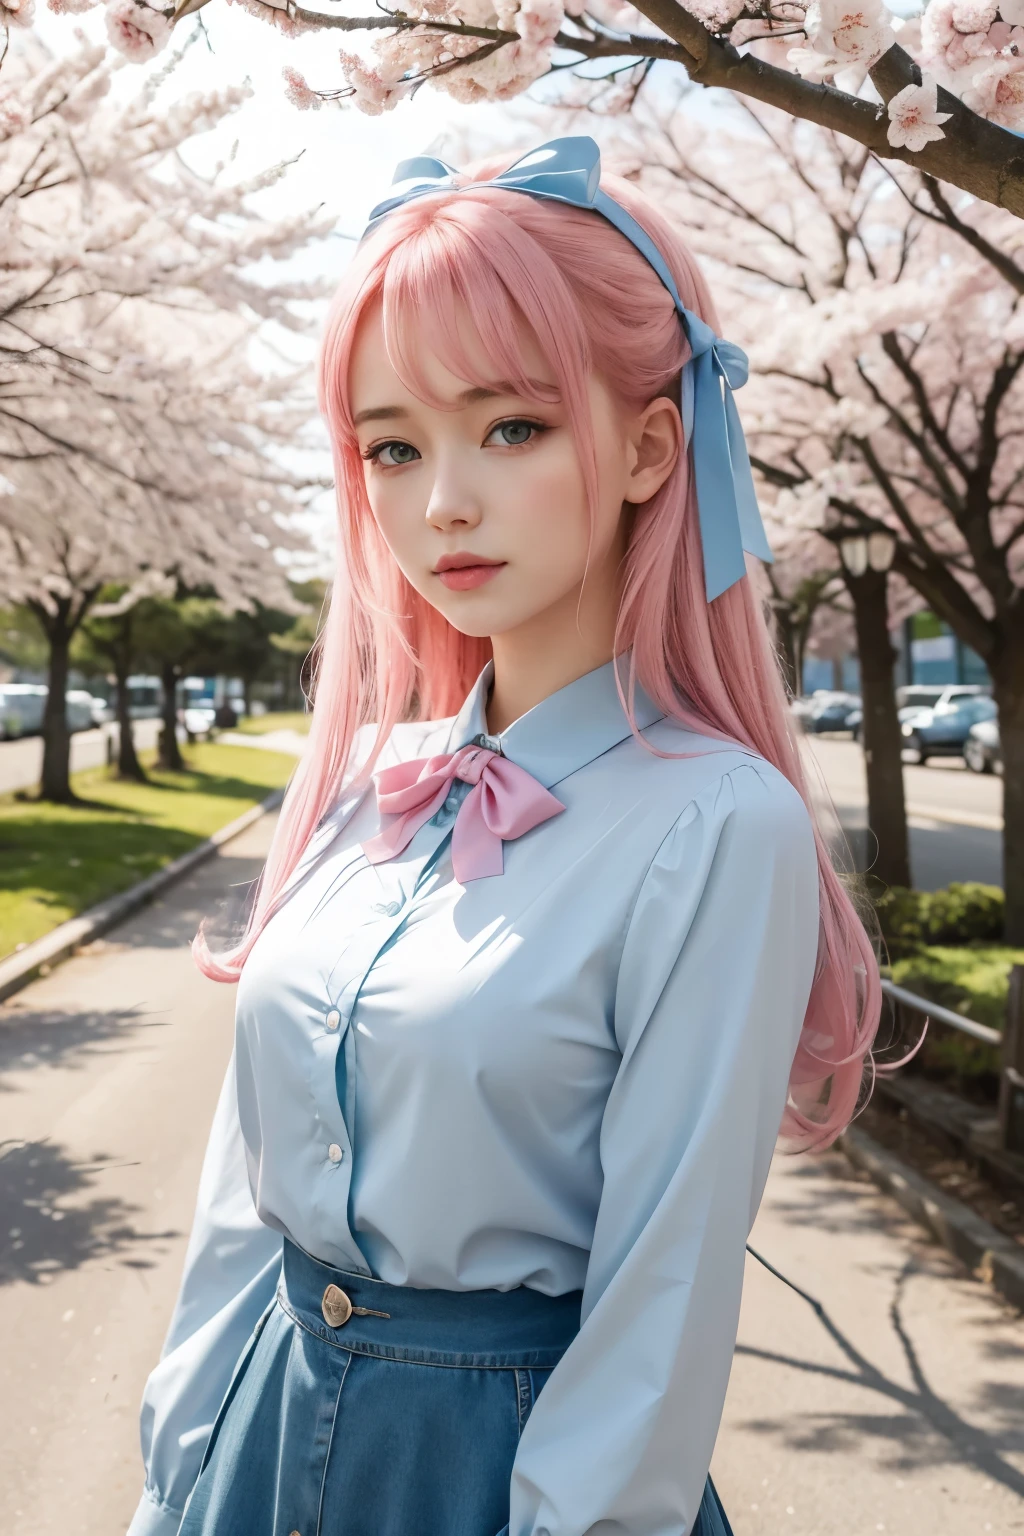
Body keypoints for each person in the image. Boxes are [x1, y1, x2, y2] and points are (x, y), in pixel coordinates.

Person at [126, 136, 881, 1536]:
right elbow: (246, 1200)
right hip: (256, 1427)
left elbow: (659, 1307)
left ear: (654, 442)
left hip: (500, 1476)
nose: (442, 503)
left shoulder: (718, 827)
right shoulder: (364, 777)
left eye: (512, 428)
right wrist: (178, 1468)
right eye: (393, 448)